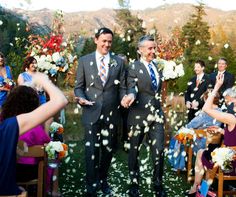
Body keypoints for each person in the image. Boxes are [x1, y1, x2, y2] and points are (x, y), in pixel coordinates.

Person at [74, 27, 126, 196]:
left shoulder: (118, 62)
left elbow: (122, 87)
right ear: (96, 40)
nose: (107, 44)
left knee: (108, 149)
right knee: (91, 150)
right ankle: (91, 185)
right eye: (104, 41)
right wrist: (80, 98)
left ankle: (103, 180)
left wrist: (126, 97)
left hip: (112, 114)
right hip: (91, 112)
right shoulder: (84, 60)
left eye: (110, 41)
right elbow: (78, 87)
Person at [0, 72, 68, 196]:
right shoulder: (10, 126)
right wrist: (44, 82)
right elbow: (60, 100)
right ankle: (54, 191)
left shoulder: (5, 122)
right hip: (24, 175)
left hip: (15, 174)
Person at [121, 35, 166, 197]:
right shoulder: (133, 67)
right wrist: (131, 96)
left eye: (154, 48)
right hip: (138, 116)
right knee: (134, 152)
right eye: (150, 48)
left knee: (159, 151)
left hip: (157, 117)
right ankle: (134, 184)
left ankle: (158, 184)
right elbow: (131, 87)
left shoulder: (157, 67)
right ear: (140, 50)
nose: (153, 51)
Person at [187, 74, 236, 196]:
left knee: (201, 153)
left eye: (228, 101)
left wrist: (216, 87)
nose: (227, 104)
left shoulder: (231, 118)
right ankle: (204, 190)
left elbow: (206, 109)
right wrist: (222, 131)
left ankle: (197, 189)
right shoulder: (231, 119)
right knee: (208, 153)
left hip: (230, 163)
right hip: (232, 158)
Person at [168, 89, 222, 171]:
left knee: (177, 138)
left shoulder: (206, 113)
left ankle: (178, 165)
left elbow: (190, 125)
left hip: (201, 143)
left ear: (207, 100)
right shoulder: (222, 112)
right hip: (215, 143)